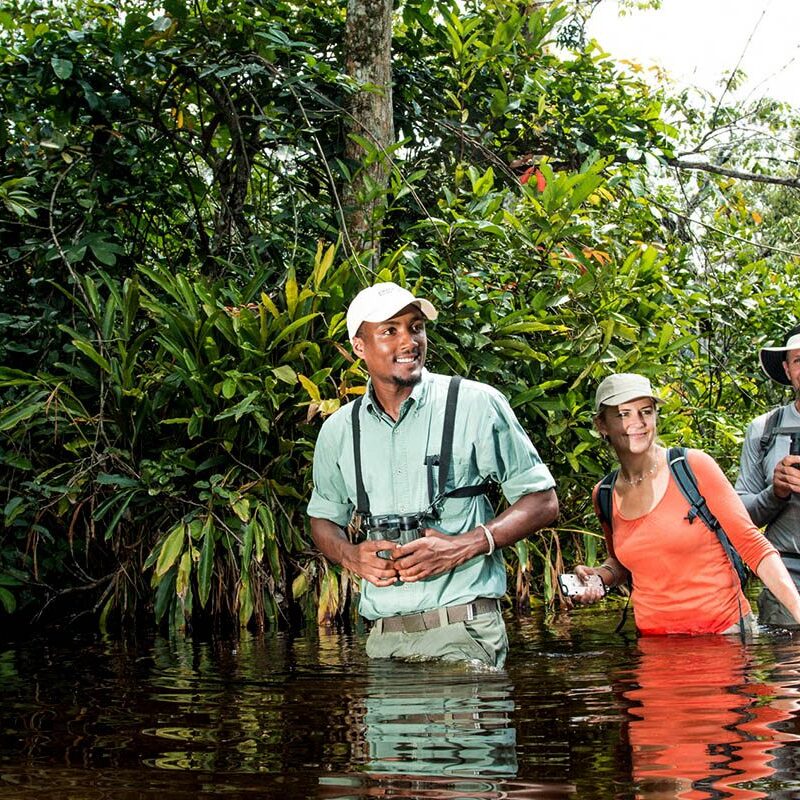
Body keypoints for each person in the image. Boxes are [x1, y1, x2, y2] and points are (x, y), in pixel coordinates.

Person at [306, 282, 558, 667]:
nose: (409, 341)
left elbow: (543, 501)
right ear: (360, 347)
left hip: (467, 628)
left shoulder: (476, 403)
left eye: (416, 327)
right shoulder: (339, 431)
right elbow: (323, 519)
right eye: (390, 330)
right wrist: (351, 556)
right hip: (383, 640)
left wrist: (466, 545)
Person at [570, 372, 800, 634]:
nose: (638, 422)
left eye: (646, 411)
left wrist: (797, 611)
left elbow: (753, 545)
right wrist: (598, 578)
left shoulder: (692, 467)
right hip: (656, 649)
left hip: (723, 638)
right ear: (602, 425)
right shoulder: (604, 493)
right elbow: (621, 561)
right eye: (624, 414)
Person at [735, 324, 800, 628]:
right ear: (787, 370)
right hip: (784, 575)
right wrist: (776, 491)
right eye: (799, 360)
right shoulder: (763, 430)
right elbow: (740, 515)